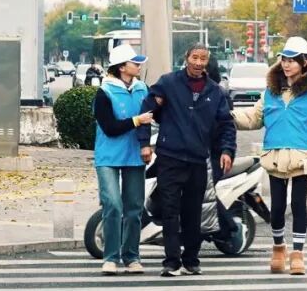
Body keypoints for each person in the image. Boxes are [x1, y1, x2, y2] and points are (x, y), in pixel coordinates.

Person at [233, 36, 307, 276]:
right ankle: (278, 249)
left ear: (304, 62)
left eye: (292, 60)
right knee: (278, 206)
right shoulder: (270, 93)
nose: (286, 64)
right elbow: (253, 118)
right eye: (284, 59)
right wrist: (228, 117)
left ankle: (298, 254)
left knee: (299, 204)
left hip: (303, 158)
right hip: (275, 156)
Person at [137, 43, 237, 277]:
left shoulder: (215, 91)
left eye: (203, 59)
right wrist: (144, 143)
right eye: (194, 58)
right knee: (170, 210)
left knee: (193, 213)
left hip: (198, 160)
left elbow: (226, 124)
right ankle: (172, 262)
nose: (198, 63)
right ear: (186, 58)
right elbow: (147, 112)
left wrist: (227, 150)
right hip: (169, 157)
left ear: (207, 62)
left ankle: (191, 259)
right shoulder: (168, 83)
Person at [91, 44, 153, 275]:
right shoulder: (104, 92)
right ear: (121, 67)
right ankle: (110, 257)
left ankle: (131, 257)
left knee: (134, 208)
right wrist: (137, 121)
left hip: (135, 155)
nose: (138, 66)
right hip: (108, 156)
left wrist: (146, 144)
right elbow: (110, 128)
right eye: (134, 63)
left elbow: (152, 118)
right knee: (113, 205)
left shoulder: (142, 89)